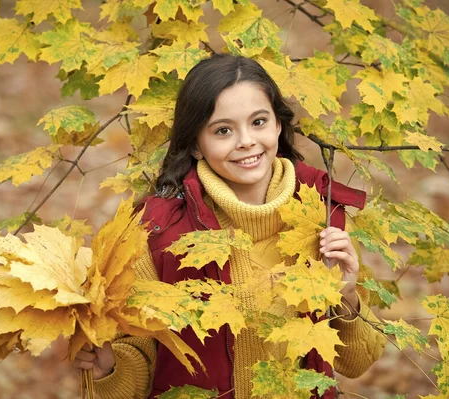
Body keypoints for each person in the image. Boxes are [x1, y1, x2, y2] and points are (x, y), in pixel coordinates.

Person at [72, 54, 386, 398]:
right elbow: (140, 363)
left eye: (259, 122)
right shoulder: (157, 232)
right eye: (223, 130)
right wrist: (110, 368)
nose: (246, 141)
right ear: (195, 144)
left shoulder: (320, 214)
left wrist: (347, 295)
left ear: (278, 126)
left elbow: (356, 364)